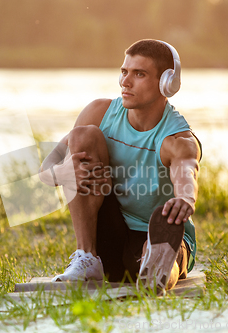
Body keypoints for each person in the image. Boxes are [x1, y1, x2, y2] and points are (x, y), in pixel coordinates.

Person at [38, 39, 201, 295]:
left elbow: (186, 171)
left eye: (139, 74)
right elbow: (47, 167)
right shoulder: (100, 113)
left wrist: (185, 199)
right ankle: (87, 256)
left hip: (152, 231)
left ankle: (159, 268)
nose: (126, 81)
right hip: (109, 235)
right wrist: (62, 173)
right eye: (124, 72)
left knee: (164, 252)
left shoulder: (176, 139)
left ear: (166, 83)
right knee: (82, 137)